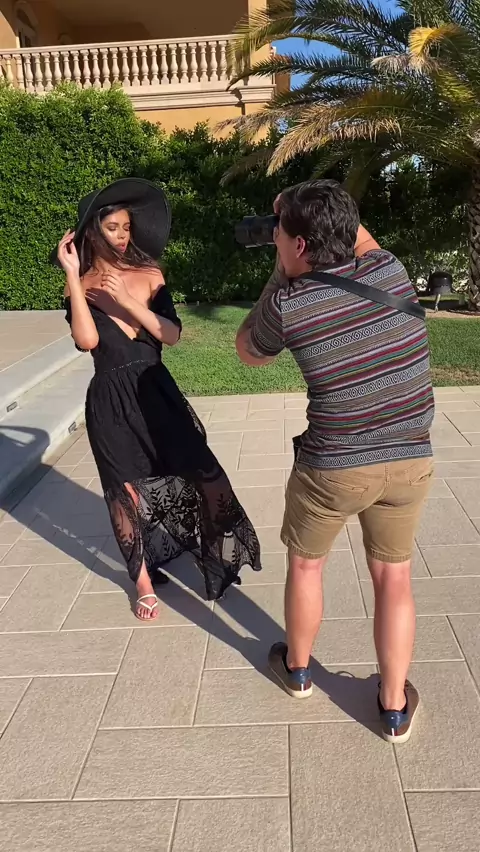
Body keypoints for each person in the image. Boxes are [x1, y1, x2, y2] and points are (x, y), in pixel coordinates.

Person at [236, 179, 434, 743]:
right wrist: (307, 212)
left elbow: (247, 351)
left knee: (306, 567)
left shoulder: (289, 305)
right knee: (393, 577)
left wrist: (282, 271)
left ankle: (298, 670)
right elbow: (356, 235)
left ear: (298, 245)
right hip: (410, 458)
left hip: (332, 467)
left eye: (280, 234)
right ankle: (393, 707)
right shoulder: (389, 270)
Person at [56, 177, 260, 620]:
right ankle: (143, 581)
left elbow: (171, 334)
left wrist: (127, 301)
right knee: (125, 491)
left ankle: (213, 556)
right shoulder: (80, 285)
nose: (122, 235)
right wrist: (72, 275)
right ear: (92, 231)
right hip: (110, 399)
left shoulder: (150, 275)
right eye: (112, 227)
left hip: (156, 391)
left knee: (206, 477)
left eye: (126, 227)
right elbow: (88, 341)